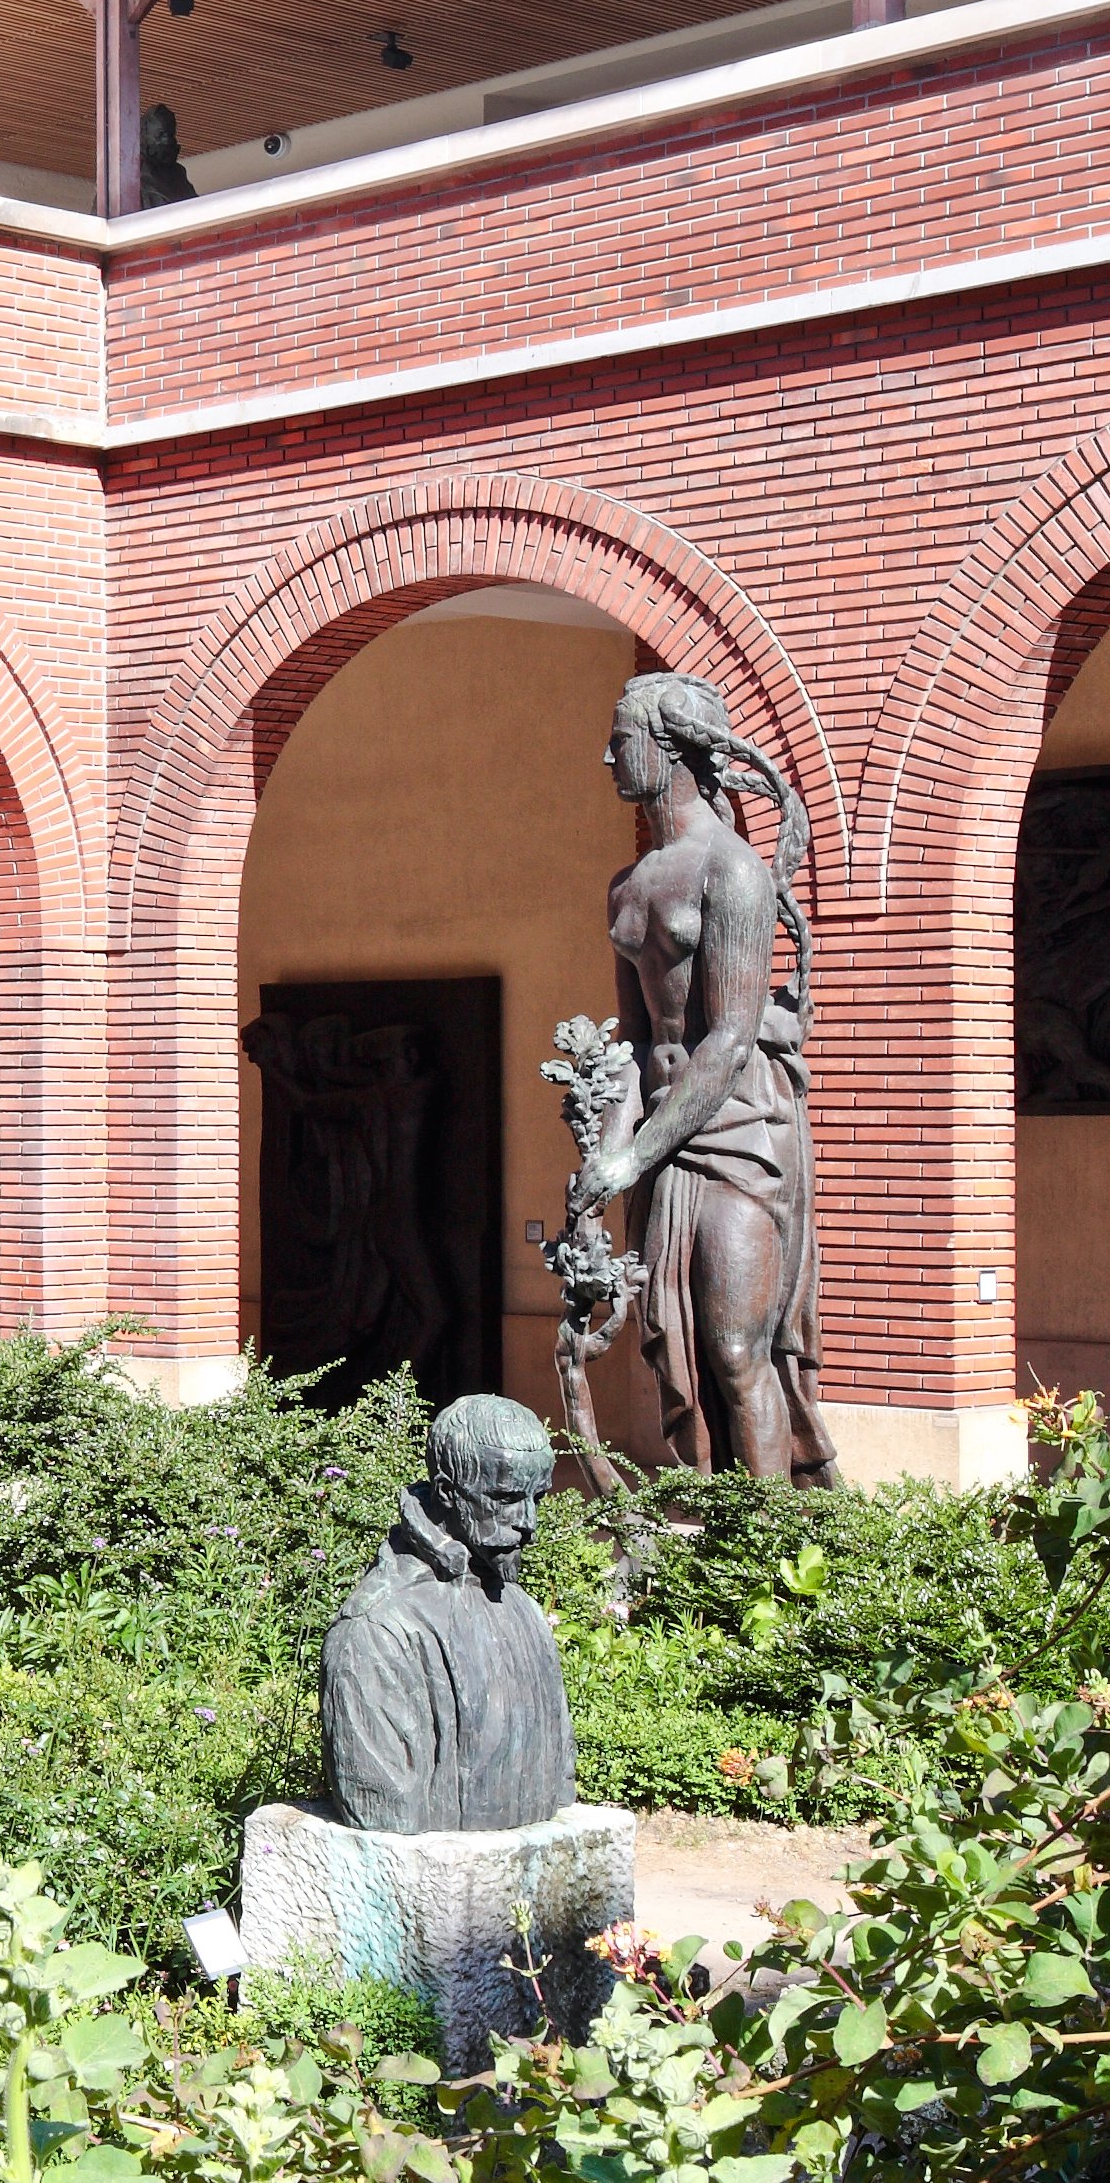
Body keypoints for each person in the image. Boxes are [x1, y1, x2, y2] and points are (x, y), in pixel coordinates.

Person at [576, 672, 836, 1482]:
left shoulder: (735, 874)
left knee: (733, 1345)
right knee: (678, 1349)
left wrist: (632, 1156)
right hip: (665, 1127)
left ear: (670, 746)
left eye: (621, 739)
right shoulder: (627, 885)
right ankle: (723, 1532)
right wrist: (603, 1157)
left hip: (740, 1129)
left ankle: (772, 1551)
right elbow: (632, 1043)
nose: (607, 754)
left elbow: (725, 1041)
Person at [320, 1395, 575, 1833]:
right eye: (506, 1498)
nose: (528, 1522)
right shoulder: (377, 1631)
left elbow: (561, 1776)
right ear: (446, 1494)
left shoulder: (522, 1609)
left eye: (537, 1498)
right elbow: (384, 1808)